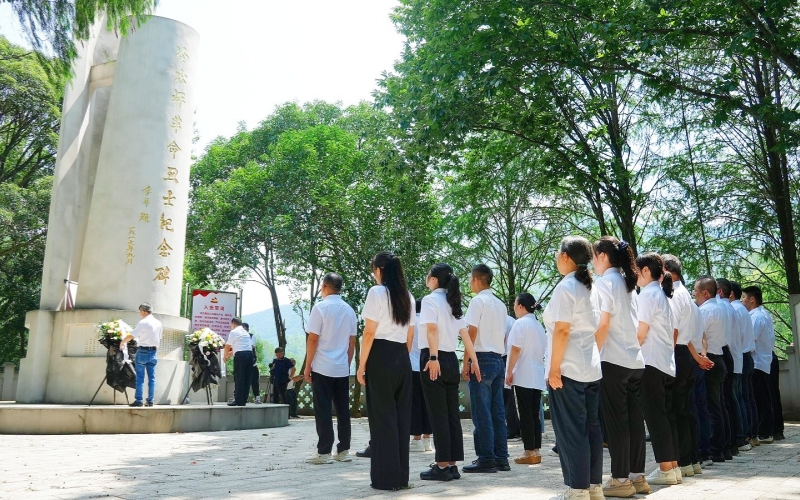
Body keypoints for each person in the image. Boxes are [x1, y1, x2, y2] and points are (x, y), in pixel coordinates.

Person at [544, 236, 602, 500]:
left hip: (568, 368)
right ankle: (594, 487)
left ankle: (578, 489)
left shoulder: (566, 287)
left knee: (570, 430)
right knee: (591, 428)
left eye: (558, 252)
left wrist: (554, 369)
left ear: (566, 256)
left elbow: (562, 330)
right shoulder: (591, 286)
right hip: (590, 366)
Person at [591, 237, 647, 497]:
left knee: (617, 424)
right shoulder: (628, 284)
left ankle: (620, 480)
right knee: (635, 422)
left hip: (613, 360)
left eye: (594, 256)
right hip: (635, 361)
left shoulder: (604, 284)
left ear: (603, 256)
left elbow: (603, 325)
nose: (592, 262)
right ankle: (637, 477)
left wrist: (592, 353)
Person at [356, 251, 415, 491]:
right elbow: (410, 335)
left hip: (380, 355)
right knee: (401, 419)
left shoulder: (377, 292)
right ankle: (401, 477)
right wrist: (402, 357)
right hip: (402, 355)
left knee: (383, 419)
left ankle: (385, 478)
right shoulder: (408, 296)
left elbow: (369, 333)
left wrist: (361, 365)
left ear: (379, 270)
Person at [418, 263, 481, 481]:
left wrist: (433, 358)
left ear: (434, 279)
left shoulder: (429, 301)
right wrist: (474, 361)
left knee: (438, 414)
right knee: (451, 414)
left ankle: (442, 465)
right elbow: (465, 335)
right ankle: (452, 464)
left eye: (428, 275)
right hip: (451, 360)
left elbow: (432, 330)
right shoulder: (452, 302)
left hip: (433, 359)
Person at [663, 255, 713, 479]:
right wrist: (698, 357)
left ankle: (683, 460)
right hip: (687, 355)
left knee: (676, 410)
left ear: (665, 270)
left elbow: (674, 332)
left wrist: (667, 358)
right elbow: (693, 336)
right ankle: (692, 460)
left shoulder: (673, 294)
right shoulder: (688, 298)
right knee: (688, 410)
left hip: (677, 353)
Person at [635, 253, 679, 486]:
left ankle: (665, 468)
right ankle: (672, 466)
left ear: (644, 271)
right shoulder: (661, 294)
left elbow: (640, 334)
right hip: (665, 363)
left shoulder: (647, 295)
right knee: (665, 416)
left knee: (655, 416)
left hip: (650, 362)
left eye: (635, 271)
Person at [304, 272, 358, 465]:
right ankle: (343, 450)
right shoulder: (350, 310)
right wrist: (347, 361)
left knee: (323, 409)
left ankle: (324, 452)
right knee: (343, 410)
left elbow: (313, 338)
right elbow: (352, 342)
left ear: (325, 286)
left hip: (322, 366)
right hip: (342, 367)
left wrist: (307, 365)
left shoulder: (320, 308)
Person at [463, 263, 510, 473]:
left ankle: (486, 459)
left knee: (482, 412)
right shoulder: (500, 305)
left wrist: (467, 360)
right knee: (497, 412)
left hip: (481, 358)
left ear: (476, 279)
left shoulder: (477, 301)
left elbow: (471, 332)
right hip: (498, 359)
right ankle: (502, 458)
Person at [504, 293, 546, 465]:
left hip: (523, 373)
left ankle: (529, 450)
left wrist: (508, 372)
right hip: (537, 373)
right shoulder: (538, 325)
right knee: (534, 413)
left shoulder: (520, 324)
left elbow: (514, 349)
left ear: (521, 306)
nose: (514, 308)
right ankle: (535, 449)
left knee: (524, 413)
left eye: (515, 305)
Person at [694, 276, 730, 462]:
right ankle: (724, 448)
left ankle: (715, 449)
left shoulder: (706, 310)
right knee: (720, 406)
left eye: (696, 291)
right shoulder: (721, 307)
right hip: (720, 357)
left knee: (712, 408)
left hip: (710, 359)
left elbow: (698, 335)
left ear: (705, 293)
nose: (694, 295)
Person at [741, 285, 775, 444]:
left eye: (744, 297)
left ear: (752, 299)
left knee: (760, 399)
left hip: (758, 362)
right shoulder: (764, 314)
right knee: (763, 398)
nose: (742, 301)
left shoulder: (755, 317)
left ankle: (765, 431)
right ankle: (766, 430)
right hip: (764, 360)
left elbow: (750, 339)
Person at [716, 278, 743, 458]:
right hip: (730, 354)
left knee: (724, 401)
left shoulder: (719, 308)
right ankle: (734, 440)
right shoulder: (730, 308)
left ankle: (729, 441)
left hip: (723, 353)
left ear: (719, 291)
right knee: (730, 401)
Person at [729, 281, 757, 448]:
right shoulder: (743, 310)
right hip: (747, 356)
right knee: (747, 398)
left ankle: (744, 435)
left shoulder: (735, 310)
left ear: (730, 293)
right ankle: (751, 434)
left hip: (740, 356)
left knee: (740, 398)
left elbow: (734, 337)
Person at [122, 302, 162, 407]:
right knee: (152, 378)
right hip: (153, 352)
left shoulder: (143, 322)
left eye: (140, 312)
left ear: (144, 311)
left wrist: (123, 342)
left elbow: (132, 335)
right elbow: (159, 338)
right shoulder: (159, 323)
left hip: (143, 351)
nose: (140, 314)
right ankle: (150, 400)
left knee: (140, 377)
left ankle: (139, 400)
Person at [409, 299, 433, 453]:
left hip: (412, 366)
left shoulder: (411, 322)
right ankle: (427, 440)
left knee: (414, 404)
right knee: (428, 403)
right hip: (429, 365)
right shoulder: (428, 323)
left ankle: (416, 439)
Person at [223, 317, 254, 407]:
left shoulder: (234, 332)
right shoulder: (245, 332)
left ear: (233, 324)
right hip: (250, 355)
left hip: (241, 356)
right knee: (247, 378)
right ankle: (243, 400)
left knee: (239, 378)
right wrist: (230, 354)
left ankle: (238, 400)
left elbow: (227, 346)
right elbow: (240, 346)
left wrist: (225, 357)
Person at [504, 314, 521, 440]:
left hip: (505, 358)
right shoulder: (513, 321)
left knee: (506, 397)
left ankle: (511, 428)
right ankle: (513, 427)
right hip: (513, 359)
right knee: (510, 397)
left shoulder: (501, 320)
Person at [242, 323, 261, 404]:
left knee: (254, 382)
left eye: (244, 329)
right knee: (242, 381)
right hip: (242, 363)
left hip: (252, 363)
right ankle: (242, 397)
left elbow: (252, 346)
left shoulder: (252, 336)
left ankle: (257, 397)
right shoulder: (238, 337)